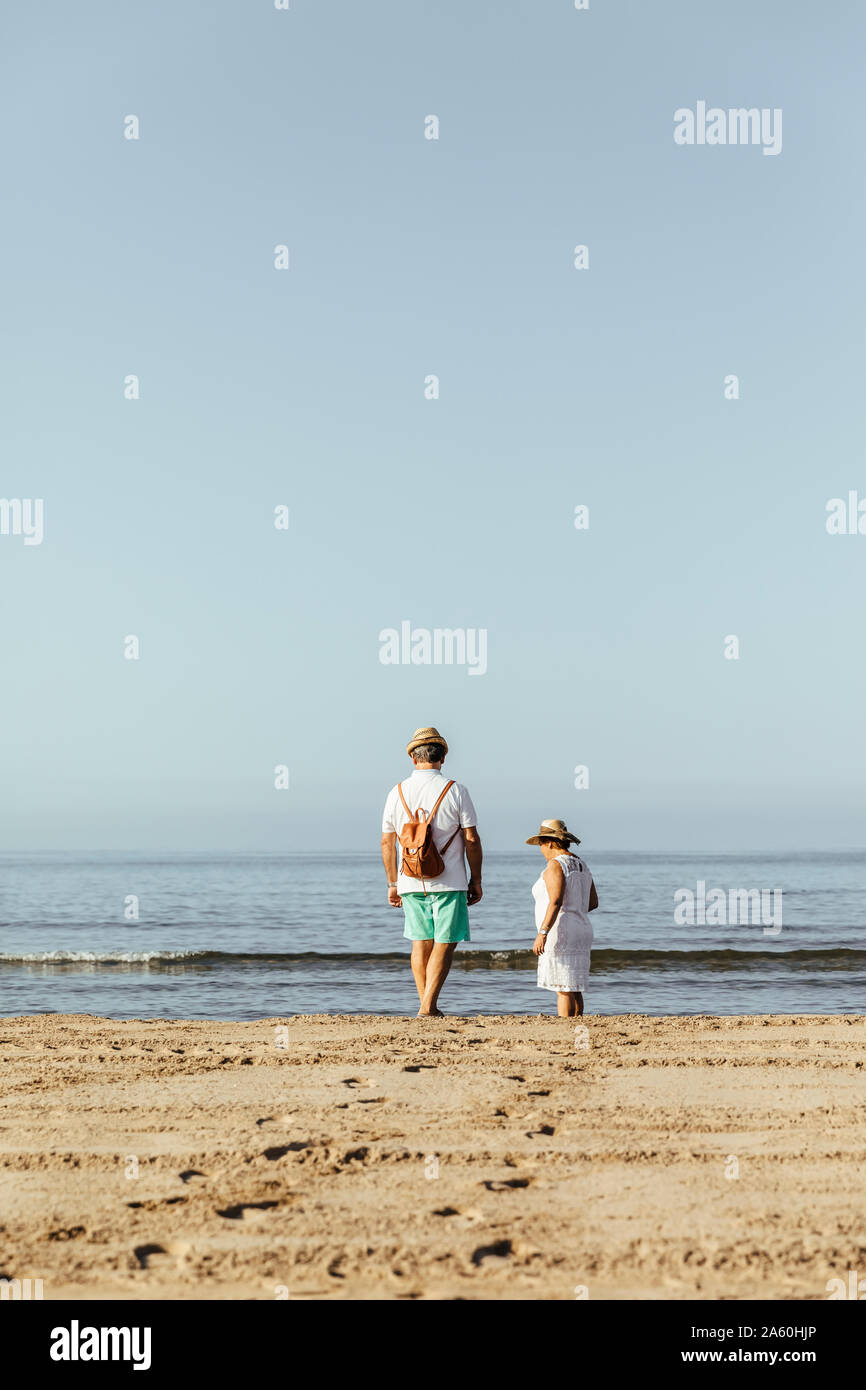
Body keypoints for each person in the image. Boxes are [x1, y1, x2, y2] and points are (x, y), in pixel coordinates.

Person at [381, 727, 482, 1017]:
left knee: (419, 942)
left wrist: (392, 883)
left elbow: (387, 841)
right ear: (443, 757)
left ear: (414, 759)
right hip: (449, 880)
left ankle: (426, 1005)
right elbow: (472, 839)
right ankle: (428, 1007)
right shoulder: (455, 790)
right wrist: (476, 879)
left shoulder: (396, 792)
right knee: (445, 942)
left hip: (409, 879)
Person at [526, 819, 598, 1017]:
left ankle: (566, 1027)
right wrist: (575, 910)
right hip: (582, 928)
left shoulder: (555, 866)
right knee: (574, 986)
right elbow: (592, 903)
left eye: (541, 843)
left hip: (562, 930)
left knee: (563, 988)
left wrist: (542, 933)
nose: (540, 849)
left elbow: (555, 901)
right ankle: (577, 1025)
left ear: (549, 842)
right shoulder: (581, 865)